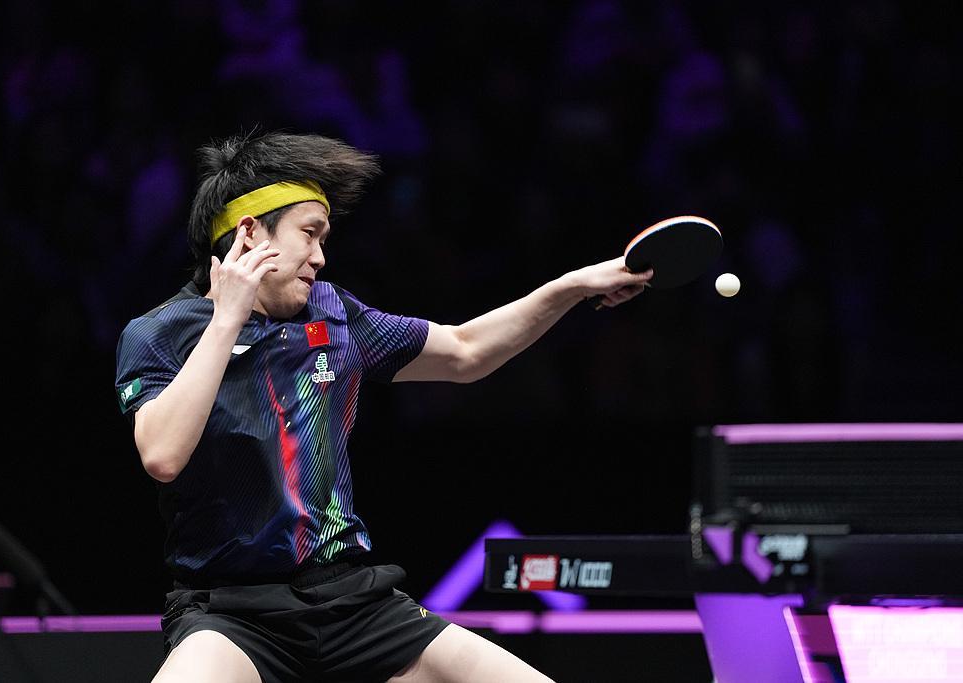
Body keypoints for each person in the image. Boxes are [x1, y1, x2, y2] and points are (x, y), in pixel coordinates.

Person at [115, 131, 651, 683]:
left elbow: (465, 350)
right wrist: (228, 319)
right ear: (251, 234)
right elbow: (162, 456)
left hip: (354, 604)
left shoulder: (335, 316)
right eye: (309, 234)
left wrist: (571, 287)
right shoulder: (160, 334)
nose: (320, 257)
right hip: (231, 615)